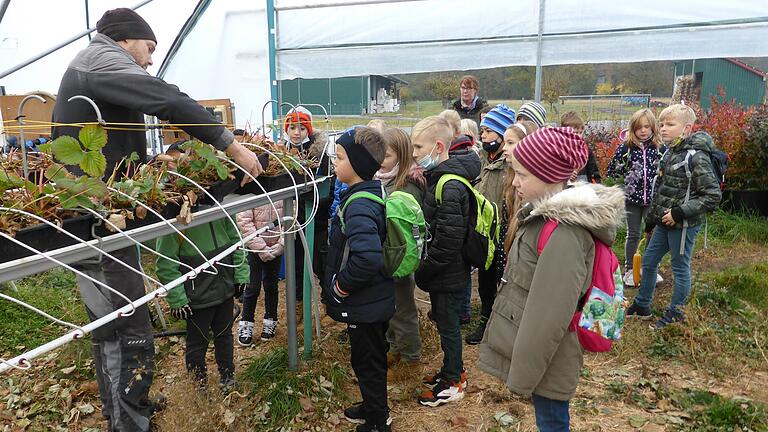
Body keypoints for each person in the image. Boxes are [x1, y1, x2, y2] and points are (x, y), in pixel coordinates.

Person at [50, 8, 263, 431]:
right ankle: (131, 422)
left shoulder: (95, 64)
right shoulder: (103, 60)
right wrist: (230, 145)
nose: (149, 60)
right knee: (128, 327)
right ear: (126, 40)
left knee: (108, 322)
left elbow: (113, 140)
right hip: (97, 221)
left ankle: (126, 405)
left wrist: (152, 161)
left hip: (98, 211)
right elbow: (165, 99)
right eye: (148, 49)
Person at [479, 127, 624, 431]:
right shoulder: (542, 216)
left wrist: (521, 377)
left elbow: (548, 316)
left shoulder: (563, 233)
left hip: (553, 354)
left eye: (523, 175)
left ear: (550, 174)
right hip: (546, 354)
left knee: (552, 420)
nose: (515, 182)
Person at [155, 146, 250, 393]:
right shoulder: (174, 216)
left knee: (224, 335)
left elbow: (235, 240)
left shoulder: (215, 205)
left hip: (224, 286)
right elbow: (165, 263)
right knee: (197, 342)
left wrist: (241, 272)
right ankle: (199, 388)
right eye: (174, 167)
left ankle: (228, 378)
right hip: (196, 294)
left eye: (186, 165)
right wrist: (177, 298)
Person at [322, 127, 393, 432]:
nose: (334, 163)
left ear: (358, 165)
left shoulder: (360, 205)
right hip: (373, 300)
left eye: (339, 158)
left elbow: (367, 258)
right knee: (369, 358)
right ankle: (372, 406)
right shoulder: (368, 193)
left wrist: (340, 286)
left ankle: (377, 421)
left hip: (364, 302)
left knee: (367, 362)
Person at [626, 104, 722, 328]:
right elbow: (662, 190)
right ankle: (642, 305)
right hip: (663, 222)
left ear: (687, 128)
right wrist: (651, 221)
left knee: (680, 268)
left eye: (670, 124)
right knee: (648, 263)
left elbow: (712, 196)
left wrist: (679, 213)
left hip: (683, 224)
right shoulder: (670, 152)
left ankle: (676, 313)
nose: (663, 129)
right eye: (661, 124)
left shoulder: (696, 157)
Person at [412, 116, 480, 406]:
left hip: (448, 274)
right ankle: (450, 369)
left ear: (438, 146)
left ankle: (453, 381)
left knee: (449, 325)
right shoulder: (440, 179)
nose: (414, 153)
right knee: (444, 323)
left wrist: (425, 271)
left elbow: (448, 242)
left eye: (418, 146)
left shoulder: (449, 186)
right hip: (445, 272)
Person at [465, 104, 517, 345]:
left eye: (487, 131)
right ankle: (486, 320)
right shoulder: (483, 160)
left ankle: (504, 324)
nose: (482, 135)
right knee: (485, 284)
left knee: (504, 282)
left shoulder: (510, 165)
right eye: (482, 130)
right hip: (485, 233)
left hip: (504, 233)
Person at [377, 128, 426, 366]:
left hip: (401, 259)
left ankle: (410, 358)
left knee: (403, 309)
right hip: (389, 257)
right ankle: (396, 346)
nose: (380, 161)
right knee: (392, 308)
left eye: (386, 156)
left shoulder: (407, 187)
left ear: (402, 156)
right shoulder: (385, 181)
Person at [605, 108, 666, 287]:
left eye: (647, 126)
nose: (643, 130)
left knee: (652, 234)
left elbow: (667, 170)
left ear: (653, 128)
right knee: (633, 234)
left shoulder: (659, 148)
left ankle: (650, 268)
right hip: (631, 200)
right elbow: (613, 171)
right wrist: (621, 187)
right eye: (639, 127)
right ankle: (631, 269)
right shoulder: (626, 148)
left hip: (653, 200)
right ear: (633, 129)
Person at [280, 106, 329, 307]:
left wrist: (313, 196)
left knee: (321, 263)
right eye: (292, 128)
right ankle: (299, 303)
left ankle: (328, 304)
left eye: (301, 128)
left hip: (316, 216)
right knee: (296, 263)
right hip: (294, 218)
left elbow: (326, 185)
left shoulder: (319, 152)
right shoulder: (281, 153)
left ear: (308, 130)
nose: (296, 133)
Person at [236, 199, 284, 345]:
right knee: (252, 287)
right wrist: (260, 248)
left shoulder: (283, 187)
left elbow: (291, 215)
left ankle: (271, 320)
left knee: (271, 285)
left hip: (276, 246)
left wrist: (282, 243)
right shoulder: (251, 192)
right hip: (255, 247)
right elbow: (244, 221)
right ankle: (246, 322)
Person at [500, 121, 539, 253]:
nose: (504, 148)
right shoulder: (509, 175)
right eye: (504, 143)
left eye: (510, 143)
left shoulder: (533, 184)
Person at [560, 112, 601, 183]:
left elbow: (594, 174)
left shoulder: (586, 150)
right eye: (575, 133)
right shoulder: (558, 150)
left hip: (584, 189)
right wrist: (566, 176)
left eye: (581, 132)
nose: (579, 136)